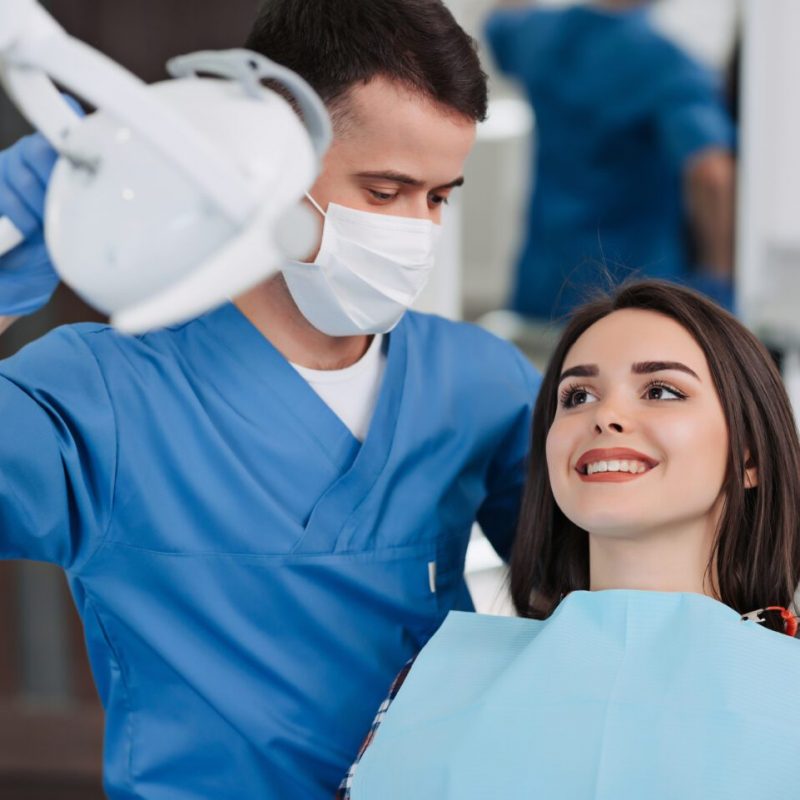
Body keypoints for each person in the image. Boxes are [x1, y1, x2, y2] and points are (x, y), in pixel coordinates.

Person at [0, 1, 541, 797]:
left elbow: (600, 585)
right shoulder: (104, 394)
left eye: (439, 196)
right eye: (386, 191)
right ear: (271, 148)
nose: (417, 231)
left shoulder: (477, 384)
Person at [342, 280, 800, 799]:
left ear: (750, 457)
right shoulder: (438, 679)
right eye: (577, 396)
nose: (605, 416)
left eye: (661, 391)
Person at [484, 0, 737, 319]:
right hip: (633, 292)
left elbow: (499, 22)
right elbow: (712, 174)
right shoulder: (665, 64)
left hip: (544, 282)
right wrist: (718, 279)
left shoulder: (537, 34)